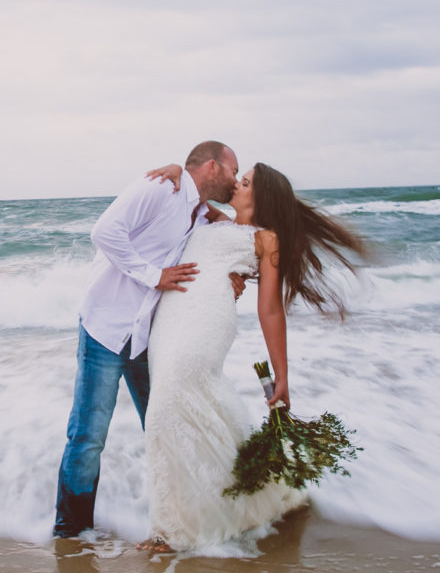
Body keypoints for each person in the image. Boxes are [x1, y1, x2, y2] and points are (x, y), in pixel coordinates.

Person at [140, 162, 365, 552]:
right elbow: (193, 189)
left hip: (204, 326)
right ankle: (248, 498)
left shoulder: (267, 239)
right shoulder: (216, 219)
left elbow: (270, 309)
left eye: (244, 183)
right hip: (169, 325)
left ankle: (171, 531)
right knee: (186, 410)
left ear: (261, 199)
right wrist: (177, 166)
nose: (235, 184)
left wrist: (282, 374)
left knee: (162, 411)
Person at [53, 141, 241, 539]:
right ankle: (71, 533)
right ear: (211, 167)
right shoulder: (159, 188)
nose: (236, 180)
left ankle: (179, 523)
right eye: (232, 172)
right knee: (88, 436)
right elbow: (104, 232)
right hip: (107, 325)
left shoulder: (199, 217)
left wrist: (233, 274)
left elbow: (227, 237)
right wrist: (154, 275)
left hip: (148, 336)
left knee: (164, 425)